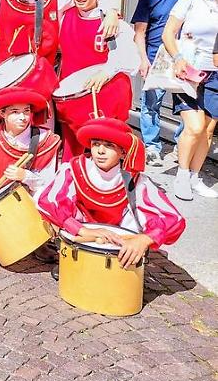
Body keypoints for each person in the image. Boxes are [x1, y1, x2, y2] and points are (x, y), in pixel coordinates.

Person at [36, 117, 185, 274]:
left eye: (109, 145)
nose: (100, 151)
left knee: (140, 210)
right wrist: (81, 230)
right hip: (81, 233)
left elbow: (174, 219)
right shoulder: (73, 169)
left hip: (117, 238)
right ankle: (73, 259)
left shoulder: (135, 180)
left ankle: (121, 264)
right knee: (58, 205)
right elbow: (46, 201)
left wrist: (145, 239)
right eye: (95, 144)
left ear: (122, 152)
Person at [0, 87, 61, 260]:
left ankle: (40, 239)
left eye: (26, 111)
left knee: (44, 195)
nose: (23, 117)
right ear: (2, 113)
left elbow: (49, 182)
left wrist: (25, 176)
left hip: (25, 200)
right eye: (15, 112)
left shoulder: (45, 139)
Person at [55, 0, 137, 158]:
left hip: (105, 94)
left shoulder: (112, 22)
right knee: (71, 149)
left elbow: (128, 56)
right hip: (73, 95)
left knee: (106, 149)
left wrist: (107, 71)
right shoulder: (65, 15)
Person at [130, 0, 197, 165]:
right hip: (156, 55)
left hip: (185, 57)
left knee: (189, 102)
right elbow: (140, 31)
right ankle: (151, 146)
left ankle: (180, 145)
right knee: (151, 103)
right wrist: (143, 59)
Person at [160, 0, 218, 201]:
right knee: (193, 127)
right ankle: (182, 175)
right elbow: (168, 33)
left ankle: (195, 177)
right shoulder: (192, 0)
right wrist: (178, 58)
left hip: (215, 73)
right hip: (189, 70)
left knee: (207, 130)